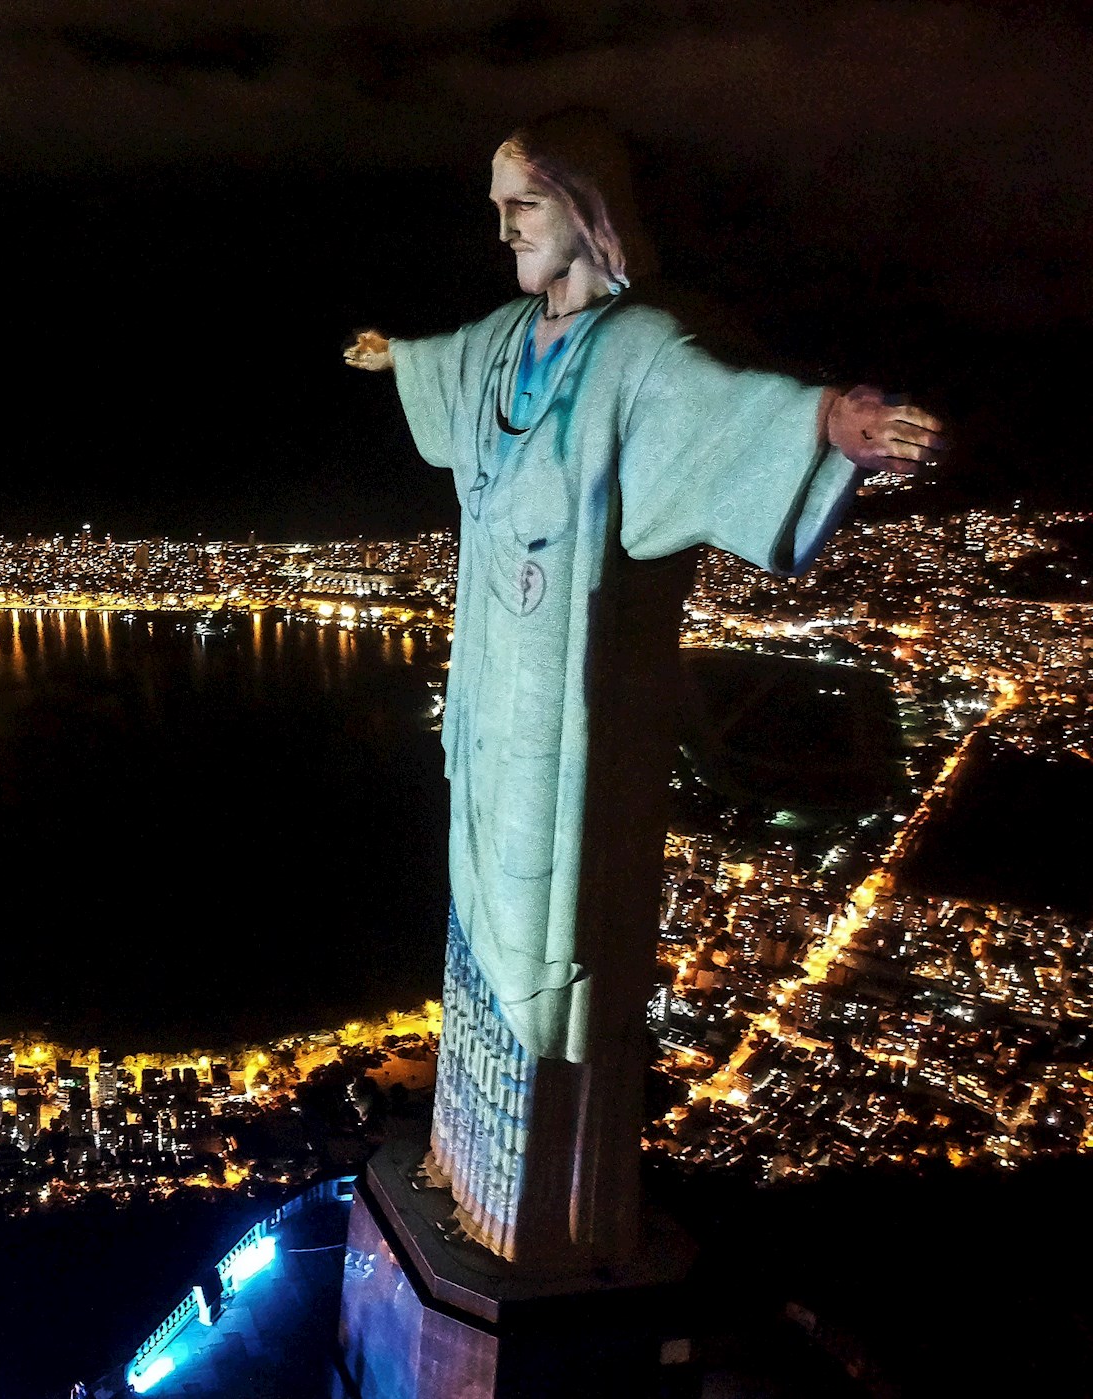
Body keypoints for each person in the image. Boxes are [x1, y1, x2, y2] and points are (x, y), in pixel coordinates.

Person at [345, 110, 944, 1265]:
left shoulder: (636, 349)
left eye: (520, 203)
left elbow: (724, 401)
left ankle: (548, 1227)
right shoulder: (511, 337)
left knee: (554, 942)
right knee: (479, 912)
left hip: (568, 712)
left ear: (584, 208)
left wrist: (830, 422)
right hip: (490, 699)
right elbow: (452, 357)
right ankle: (468, 1170)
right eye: (496, 204)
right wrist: (396, 356)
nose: (502, 224)